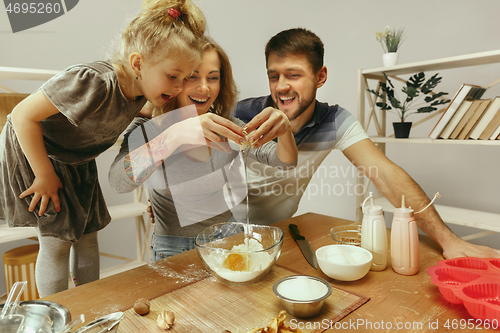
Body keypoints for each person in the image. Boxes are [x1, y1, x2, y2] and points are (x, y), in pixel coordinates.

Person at [234, 28, 500, 260]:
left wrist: (449, 241)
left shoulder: (334, 121)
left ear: (320, 76)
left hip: (276, 233)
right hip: (226, 231)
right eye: (273, 76)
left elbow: (386, 175)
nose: (281, 87)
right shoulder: (242, 114)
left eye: (293, 75)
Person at [0, 0, 207, 297]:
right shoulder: (93, 81)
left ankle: (90, 302)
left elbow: (130, 113)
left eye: (184, 79)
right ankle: (56, 314)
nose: (178, 87)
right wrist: (43, 175)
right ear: (138, 64)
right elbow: (21, 115)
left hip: (76, 158)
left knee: (88, 234)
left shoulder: (139, 93)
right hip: (38, 154)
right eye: (173, 76)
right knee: (57, 239)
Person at [109, 36, 297, 261]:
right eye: (193, 76)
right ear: (175, 80)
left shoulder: (228, 127)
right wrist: (175, 135)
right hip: (172, 248)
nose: (204, 87)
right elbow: (118, 182)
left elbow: (285, 161)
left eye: (213, 78)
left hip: (227, 240)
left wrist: (284, 127)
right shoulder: (149, 128)